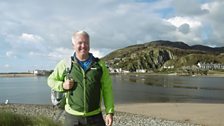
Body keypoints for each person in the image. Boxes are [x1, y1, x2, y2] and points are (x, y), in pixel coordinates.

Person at [48, 31, 114, 126]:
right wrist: (62, 85)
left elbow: (107, 90)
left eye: (86, 43)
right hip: (72, 118)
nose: (83, 46)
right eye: (80, 43)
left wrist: (109, 112)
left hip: (95, 117)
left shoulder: (100, 65)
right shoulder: (65, 63)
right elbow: (51, 80)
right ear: (73, 45)